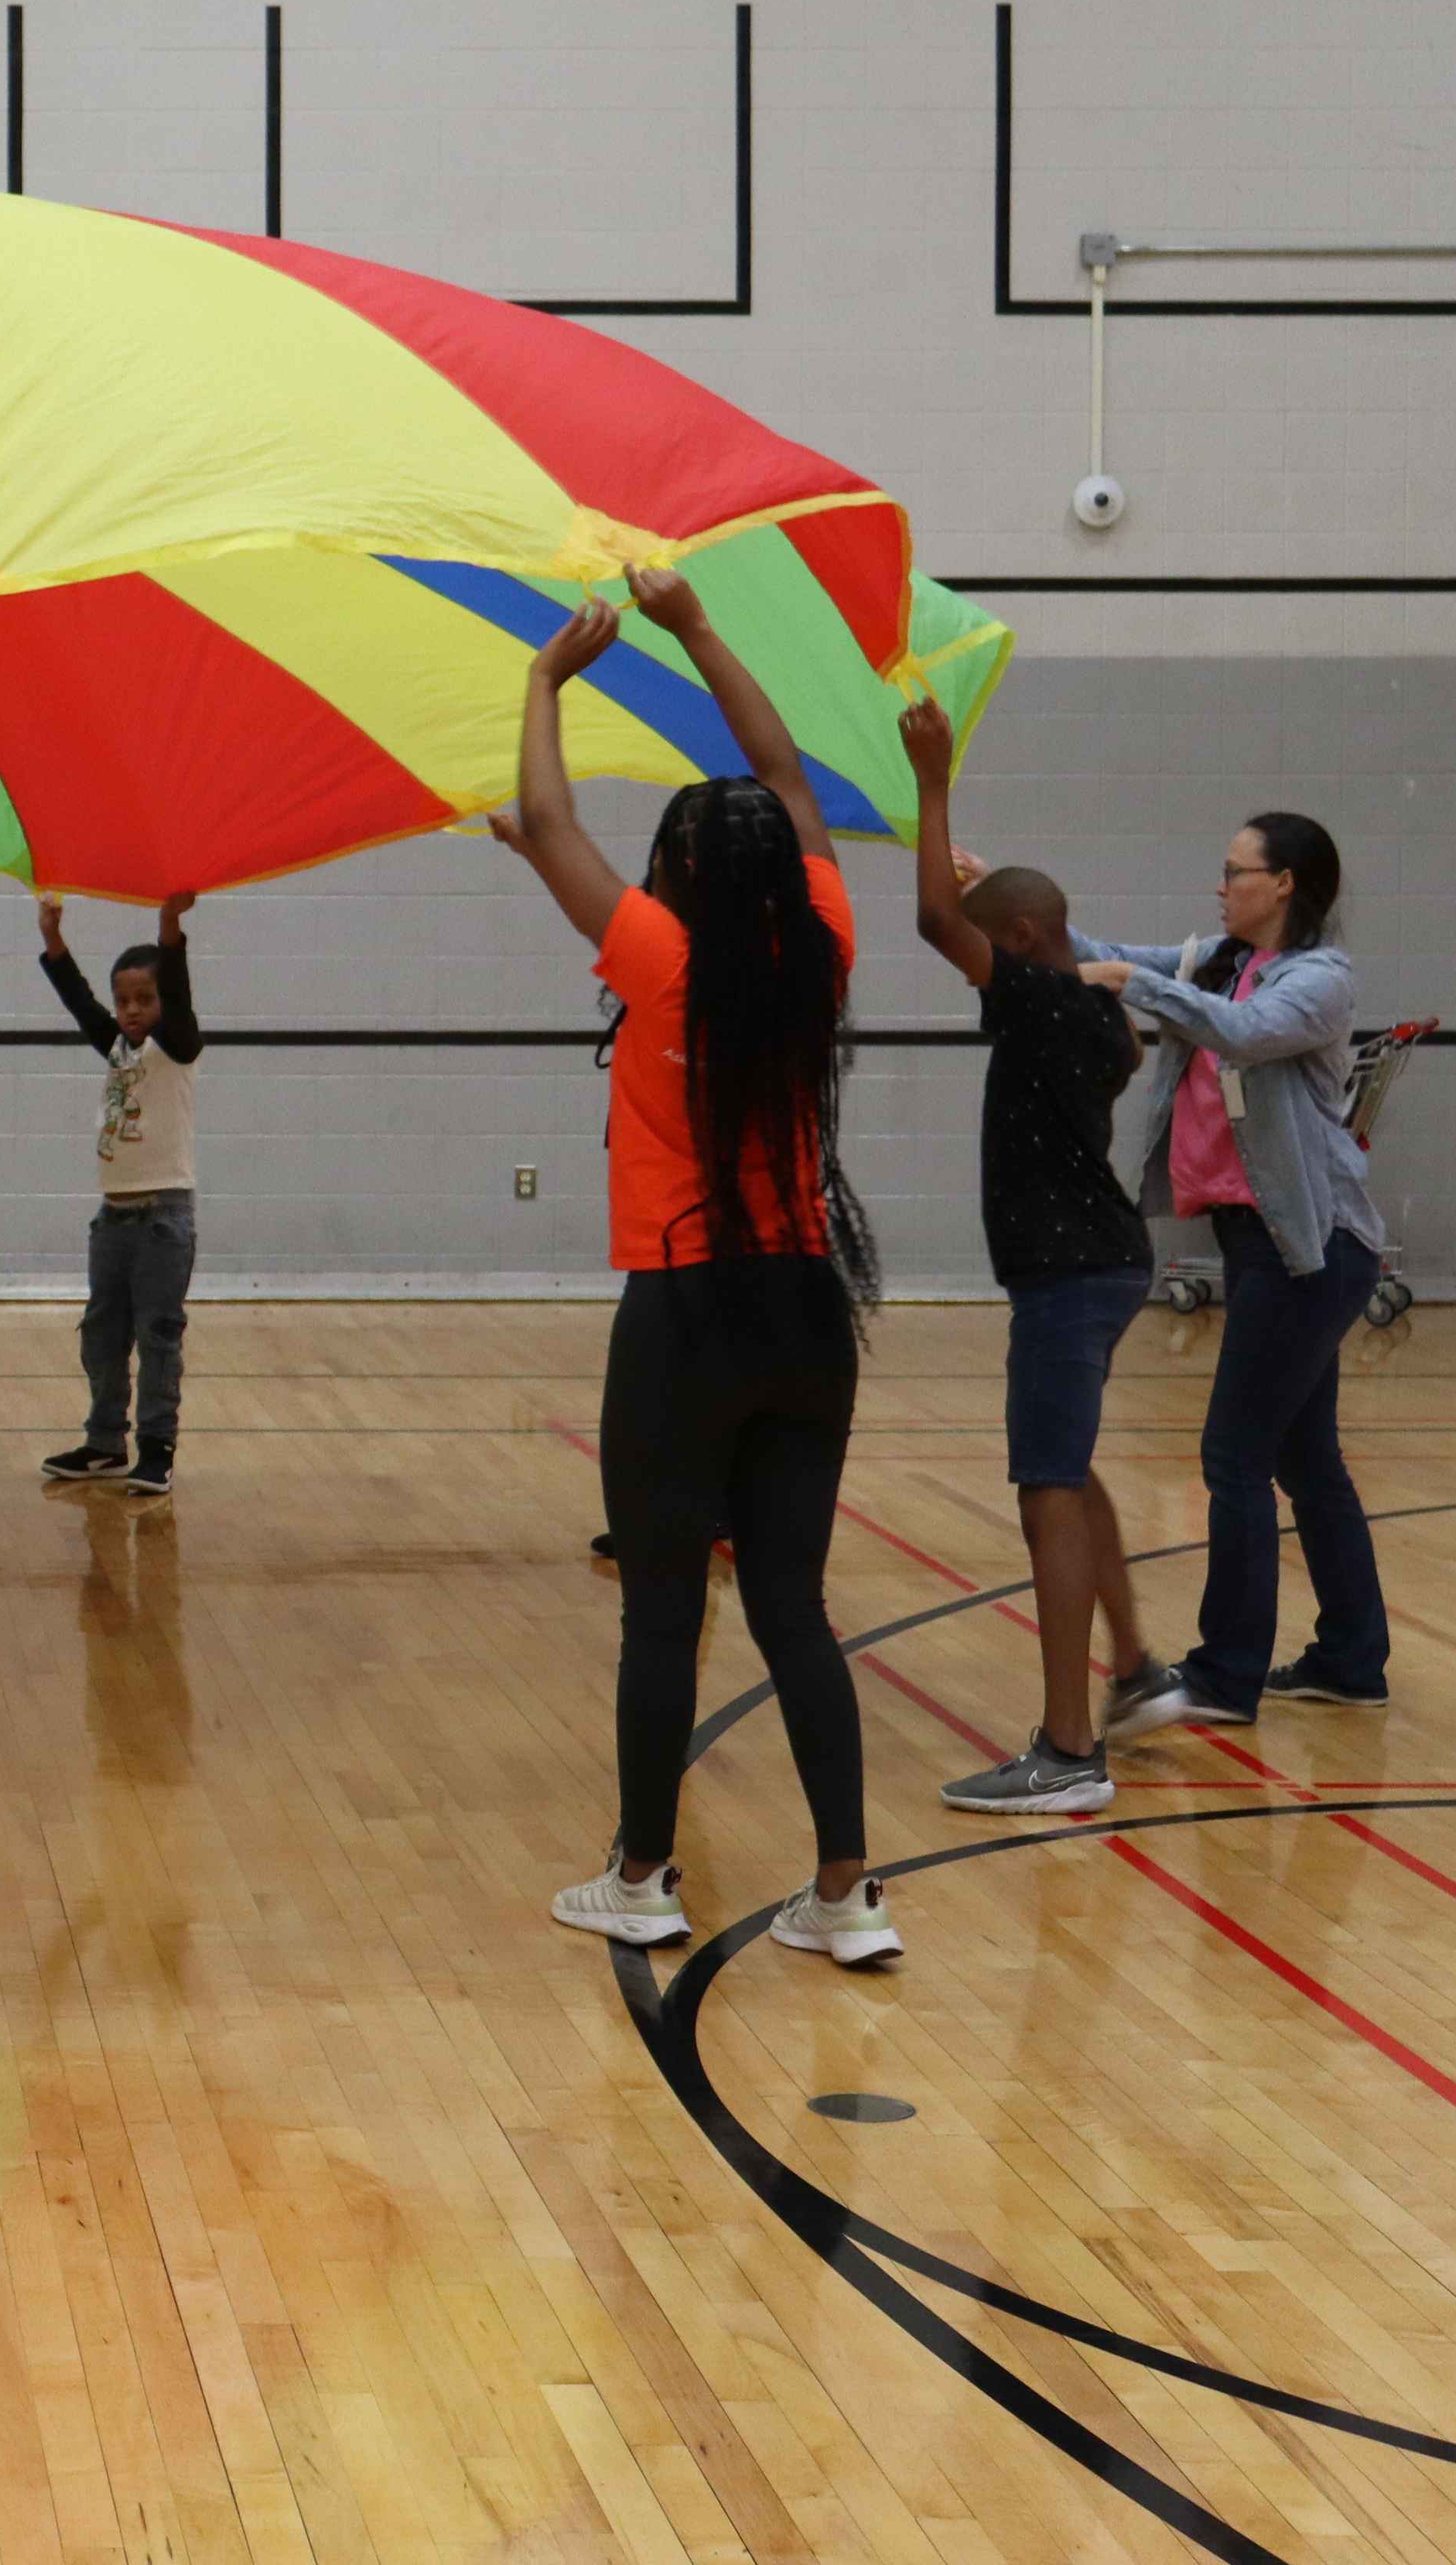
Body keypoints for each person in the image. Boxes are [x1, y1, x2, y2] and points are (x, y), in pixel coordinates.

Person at [492, 569, 900, 1970]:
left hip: (686, 1314)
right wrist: (699, 629)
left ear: (672, 878)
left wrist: (546, 684)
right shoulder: (824, 951)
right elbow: (789, 777)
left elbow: (552, 824)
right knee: (795, 1605)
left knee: (665, 1608)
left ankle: (643, 1873)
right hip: (806, 1312)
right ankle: (846, 1892)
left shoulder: (658, 957)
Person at [897, 698, 1186, 1814]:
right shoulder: (1090, 1014)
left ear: (1014, 945)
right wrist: (983, 885)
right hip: (1104, 1262)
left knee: (1045, 1489)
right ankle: (1137, 1670)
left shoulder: (1035, 1003)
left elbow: (935, 922)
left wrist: (932, 784)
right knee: (1071, 1473)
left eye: (991, 935)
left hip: (1069, 1276)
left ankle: (1069, 1751)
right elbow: (991, 923)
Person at [1075, 809, 1389, 1720]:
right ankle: (1352, 1658)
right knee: (1306, 1457)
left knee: (1234, 1455)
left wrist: (1134, 979)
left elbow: (1240, 1032)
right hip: (1263, 1245)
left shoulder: (1319, 979)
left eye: (1235, 870)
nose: (1220, 884)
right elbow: (1098, 949)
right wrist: (995, 898)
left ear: (1283, 883)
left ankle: (1224, 1675)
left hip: (1316, 1248)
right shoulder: (1218, 958)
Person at [34, 891, 204, 1496]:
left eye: (145, 1000)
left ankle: (156, 1449)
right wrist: (54, 942)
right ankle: (105, 1442)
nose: (132, 1011)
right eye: (124, 1001)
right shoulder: (117, 1049)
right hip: (114, 1218)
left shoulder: (177, 1046)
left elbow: (179, 998)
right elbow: (80, 1005)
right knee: (102, 1334)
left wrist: (169, 929)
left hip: (164, 1218)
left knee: (159, 1335)